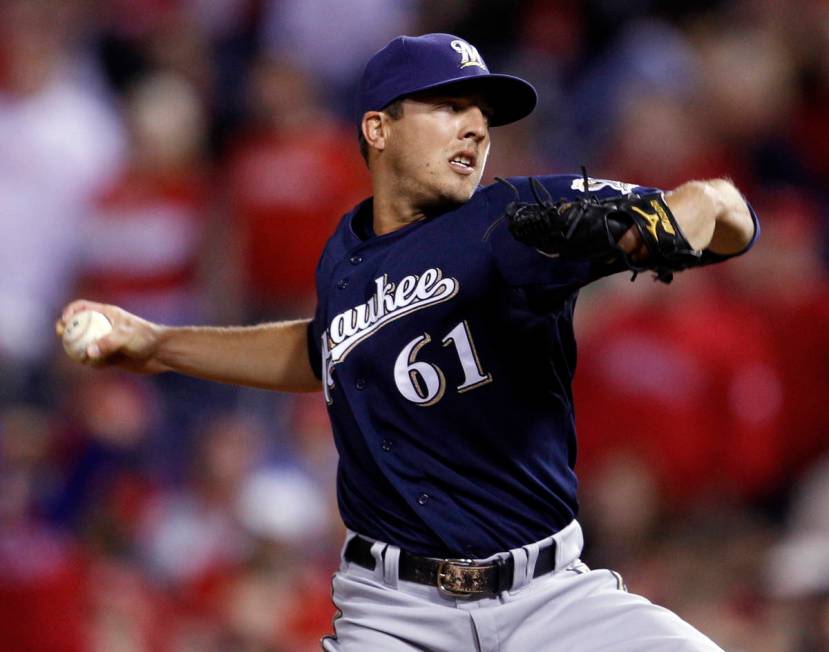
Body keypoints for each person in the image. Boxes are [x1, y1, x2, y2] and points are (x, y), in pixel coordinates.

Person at [57, 33, 758, 651]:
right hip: (394, 612)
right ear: (378, 128)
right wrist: (157, 344)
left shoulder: (512, 218)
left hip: (548, 597)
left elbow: (718, 211)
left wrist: (677, 219)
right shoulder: (345, 254)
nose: (475, 130)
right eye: (450, 107)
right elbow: (321, 351)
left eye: (482, 116)